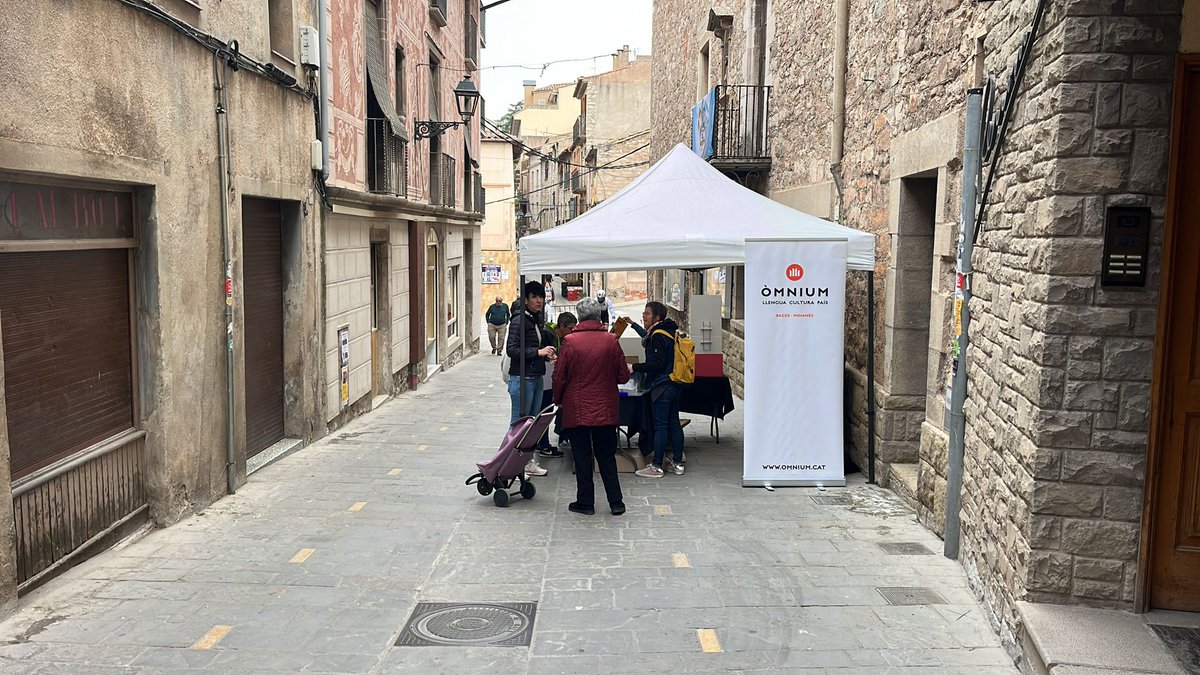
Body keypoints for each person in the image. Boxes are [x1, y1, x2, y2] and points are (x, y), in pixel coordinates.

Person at [553, 297, 631, 515]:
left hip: (577, 407)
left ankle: (585, 502)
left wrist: (558, 399)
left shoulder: (569, 342)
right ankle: (616, 502)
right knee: (606, 455)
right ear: (598, 315)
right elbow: (623, 376)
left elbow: (559, 376)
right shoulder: (611, 341)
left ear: (579, 316)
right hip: (605, 408)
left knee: (582, 455)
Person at [506, 281, 557, 477]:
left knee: (533, 424)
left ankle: (527, 461)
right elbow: (512, 350)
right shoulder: (519, 320)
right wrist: (538, 352)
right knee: (519, 423)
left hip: (535, 377)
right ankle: (511, 464)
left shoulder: (535, 319)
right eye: (534, 297)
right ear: (526, 299)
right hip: (522, 378)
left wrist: (547, 354)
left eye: (541, 296)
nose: (539, 300)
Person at [633, 301, 686, 478]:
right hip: (676, 383)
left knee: (661, 426)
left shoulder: (657, 335)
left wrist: (634, 367)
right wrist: (633, 325)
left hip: (662, 385)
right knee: (674, 423)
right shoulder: (670, 331)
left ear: (657, 317)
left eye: (647, 314)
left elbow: (656, 364)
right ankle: (677, 463)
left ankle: (656, 466)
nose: (643, 316)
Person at [538, 312, 578, 458]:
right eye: (571, 328)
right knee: (543, 413)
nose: (573, 332)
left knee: (545, 412)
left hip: (550, 379)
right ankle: (542, 445)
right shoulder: (546, 335)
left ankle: (543, 444)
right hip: (544, 380)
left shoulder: (560, 337)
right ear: (562, 326)